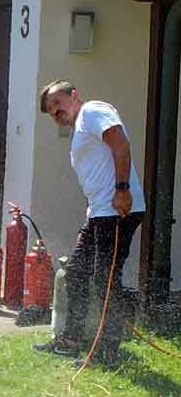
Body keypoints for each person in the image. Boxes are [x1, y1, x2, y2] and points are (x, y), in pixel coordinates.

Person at [34, 81, 145, 368]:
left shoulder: (93, 111)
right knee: (76, 272)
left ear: (74, 95)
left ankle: (107, 353)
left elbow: (120, 144)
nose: (55, 111)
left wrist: (122, 190)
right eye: (50, 110)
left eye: (57, 103)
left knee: (105, 280)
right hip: (99, 214)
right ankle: (70, 340)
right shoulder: (79, 130)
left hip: (118, 211)